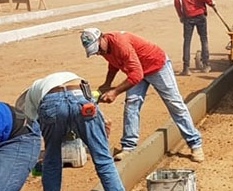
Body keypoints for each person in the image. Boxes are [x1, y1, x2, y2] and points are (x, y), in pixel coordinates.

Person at [17, 72, 146, 191]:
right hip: (81, 97)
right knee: (104, 161)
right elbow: (87, 99)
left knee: (51, 160)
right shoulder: (59, 78)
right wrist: (101, 121)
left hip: (51, 104)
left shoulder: (33, 96)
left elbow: (32, 130)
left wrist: (35, 160)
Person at [79, 28, 205, 163]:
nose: (99, 53)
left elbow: (136, 75)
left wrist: (115, 92)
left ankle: (195, 144)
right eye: (96, 52)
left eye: (98, 49)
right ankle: (128, 147)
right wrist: (107, 83)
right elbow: (114, 64)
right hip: (136, 70)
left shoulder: (121, 44)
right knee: (131, 105)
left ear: (101, 38)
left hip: (156, 67)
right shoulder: (104, 48)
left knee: (175, 104)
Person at [174, 0, 217, 76]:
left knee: (187, 41)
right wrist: (211, 2)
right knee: (203, 39)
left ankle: (186, 68)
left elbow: (177, 0)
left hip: (187, 15)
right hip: (199, 13)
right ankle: (206, 65)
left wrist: (180, 14)